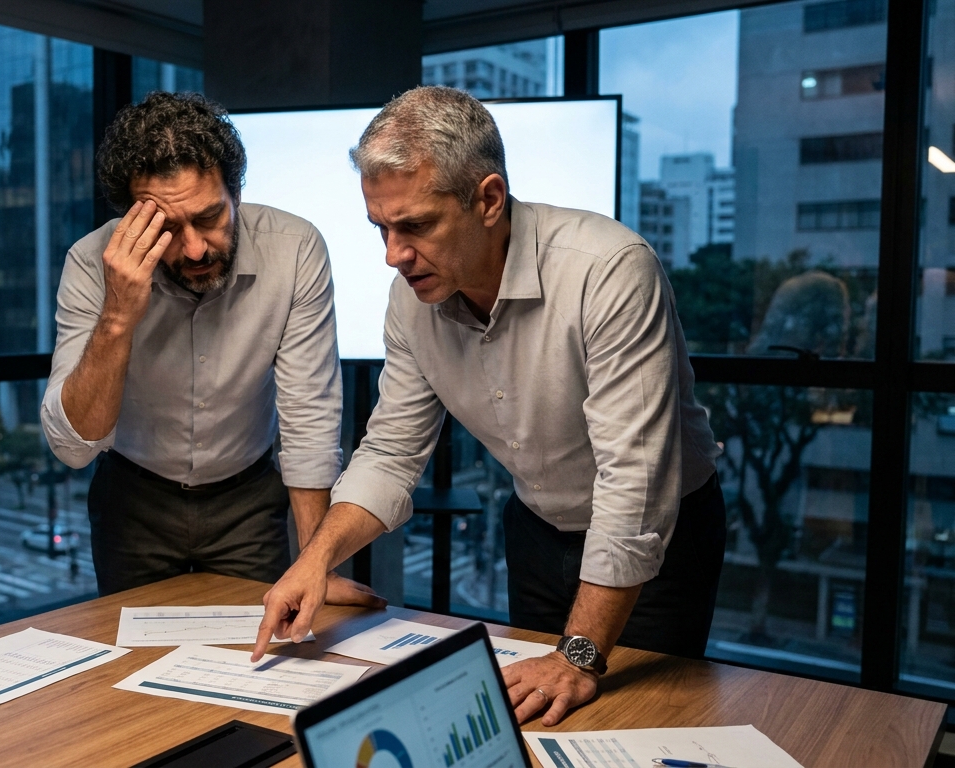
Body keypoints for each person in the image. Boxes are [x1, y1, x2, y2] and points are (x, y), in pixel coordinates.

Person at [252, 86, 725, 726]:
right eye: (381, 229)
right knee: (536, 719)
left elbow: (634, 483)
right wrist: (314, 560)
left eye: (415, 225)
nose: (393, 255)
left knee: (638, 725)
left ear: (489, 199)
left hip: (661, 536)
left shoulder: (609, 269)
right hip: (535, 528)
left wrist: (579, 655)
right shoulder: (410, 301)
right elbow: (391, 454)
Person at [41, 92, 383, 609]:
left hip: (247, 500)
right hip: (133, 502)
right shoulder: (91, 264)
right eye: (166, 229)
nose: (195, 248)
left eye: (208, 217)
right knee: (134, 666)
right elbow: (73, 447)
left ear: (237, 191)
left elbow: (308, 416)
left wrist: (318, 563)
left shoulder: (294, 249)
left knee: (263, 655)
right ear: (129, 217)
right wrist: (117, 316)